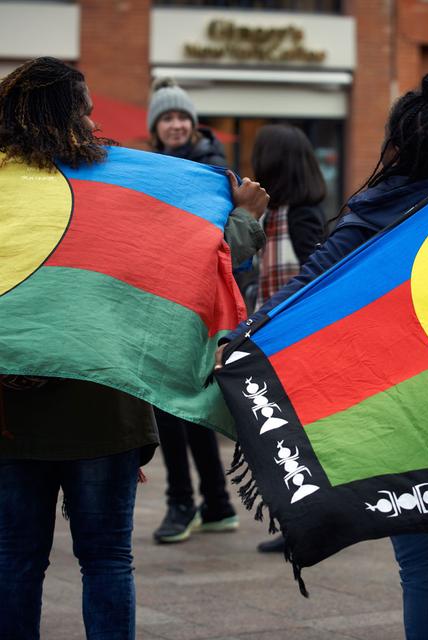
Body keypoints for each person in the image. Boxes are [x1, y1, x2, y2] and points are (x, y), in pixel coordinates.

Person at [217, 73, 428, 640]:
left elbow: (307, 290)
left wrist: (240, 338)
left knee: (426, 569)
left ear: (395, 148)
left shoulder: (373, 214)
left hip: (412, 419)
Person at [0, 57, 267, 640]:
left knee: (15, 563)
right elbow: (203, 266)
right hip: (104, 414)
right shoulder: (119, 185)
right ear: (68, 113)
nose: (94, 117)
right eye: (85, 106)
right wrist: (244, 220)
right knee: (105, 560)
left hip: (11, 419)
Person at [147, 79, 266, 543]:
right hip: (171, 293)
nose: (175, 124)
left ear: (192, 124)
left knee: (170, 404)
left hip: (194, 299)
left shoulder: (213, 171)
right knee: (188, 403)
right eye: (167, 117)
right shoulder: (156, 166)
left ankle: (183, 504)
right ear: (156, 126)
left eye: (181, 117)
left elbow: (220, 239)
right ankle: (214, 504)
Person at [249, 124, 327, 552]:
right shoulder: (275, 213)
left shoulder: (303, 215)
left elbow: (314, 277)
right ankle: (299, 522)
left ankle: (307, 523)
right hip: (276, 343)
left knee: (297, 438)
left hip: (298, 345)